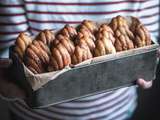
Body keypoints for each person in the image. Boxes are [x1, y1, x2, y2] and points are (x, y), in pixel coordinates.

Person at [0, 0, 159, 120]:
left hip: (114, 111)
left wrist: (148, 63)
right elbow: (11, 47)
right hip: (34, 114)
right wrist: (6, 76)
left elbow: (148, 38)